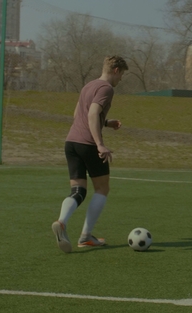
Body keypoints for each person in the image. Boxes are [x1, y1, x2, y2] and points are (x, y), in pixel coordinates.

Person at [51, 55, 129, 253]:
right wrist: (100, 144)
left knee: (78, 191)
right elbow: (92, 113)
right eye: (122, 76)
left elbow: (78, 114)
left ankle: (61, 222)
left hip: (71, 143)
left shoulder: (88, 86)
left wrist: (106, 122)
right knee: (102, 189)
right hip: (88, 144)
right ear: (116, 71)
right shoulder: (106, 88)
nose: (120, 80)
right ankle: (85, 236)